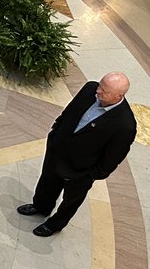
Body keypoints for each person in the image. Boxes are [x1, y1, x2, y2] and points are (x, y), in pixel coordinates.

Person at [17, 72, 136, 237]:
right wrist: (55, 131)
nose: (98, 91)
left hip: (80, 170)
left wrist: (90, 175)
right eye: (101, 85)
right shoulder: (90, 89)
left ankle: (55, 224)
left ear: (119, 96)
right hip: (58, 150)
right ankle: (41, 206)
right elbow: (69, 111)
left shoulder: (125, 125)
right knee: (47, 181)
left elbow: (112, 158)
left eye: (105, 91)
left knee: (70, 201)